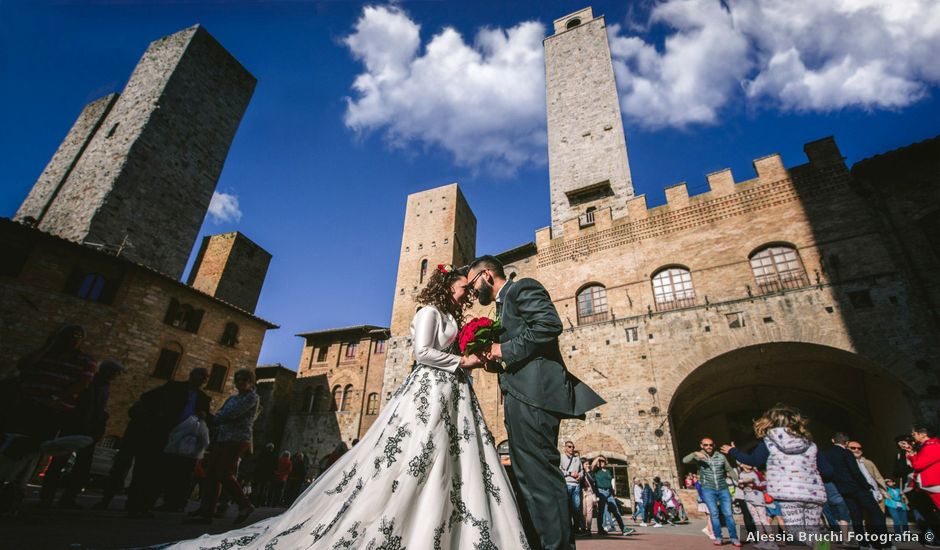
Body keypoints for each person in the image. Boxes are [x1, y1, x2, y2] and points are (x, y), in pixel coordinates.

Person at [160, 264, 528, 548]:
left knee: (452, 458)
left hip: (453, 393)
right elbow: (422, 353)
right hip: (430, 390)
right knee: (420, 452)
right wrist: (463, 362)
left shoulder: (451, 318)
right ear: (448, 286)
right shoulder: (429, 312)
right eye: (464, 287)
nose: (468, 294)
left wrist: (472, 354)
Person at [468, 255, 606, 550]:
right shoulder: (501, 309)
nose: (472, 290)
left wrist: (504, 349)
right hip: (519, 396)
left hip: (535, 396)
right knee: (526, 479)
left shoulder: (522, 288)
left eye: (472, 283)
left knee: (540, 476)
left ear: (487, 275)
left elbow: (548, 325)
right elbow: (521, 348)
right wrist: (494, 361)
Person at [723, 405, 832, 549]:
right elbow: (828, 471)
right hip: (814, 495)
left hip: (788, 495)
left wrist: (733, 451)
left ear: (769, 423)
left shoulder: (769, 443)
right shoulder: (810, 444)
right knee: (813, 530)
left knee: (797, 534)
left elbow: (754, 461)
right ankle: (821, 545)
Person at [126, 368, 211, 517]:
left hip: (183, 439)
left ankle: (164, 503)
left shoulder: (204, 398)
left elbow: (207, 418)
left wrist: (205, 416)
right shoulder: (173, 387)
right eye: (201, 375)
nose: (204, 379)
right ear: (191, 375)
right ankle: (139, 504)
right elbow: (148, 398)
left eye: (206, 377)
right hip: (165, 432)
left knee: (172, 471)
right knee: (153, 469)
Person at [40, 359, 124, 508]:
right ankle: (48, 496)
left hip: (88, 431)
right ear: (108, 371)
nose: (116, 376)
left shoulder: (104, 386)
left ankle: (66, 498)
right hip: (75, 426)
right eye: (116, 373)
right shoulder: (89, 382)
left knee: (80, 467)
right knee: (60, 462)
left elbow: (98, 409)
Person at [186, 368, 260, 525]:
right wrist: (215, 418)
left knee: (225, 473)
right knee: (211, 473)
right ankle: (206, 512)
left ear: (251, 382)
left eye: (244, 380)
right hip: (223, 438)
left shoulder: (252, 398)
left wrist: (212, 418)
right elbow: (222, 412)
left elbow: (231, 414)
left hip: (237, 439)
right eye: (238, 379)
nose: (240, 382)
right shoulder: (232, 398)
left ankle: (245, 505)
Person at [5, 325, 97, 440]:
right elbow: (23, 365)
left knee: (39, 444)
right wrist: (48, 345)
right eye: (70, 335)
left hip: (54, 409)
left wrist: (55, 398)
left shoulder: (86, 360)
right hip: (28, 403)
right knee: (13, 439)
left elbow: (83, 384)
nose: (74, 339)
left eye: (78, 336)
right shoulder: (46, 354)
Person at [820, 432, 889, 549]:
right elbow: (855, 471)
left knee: (856, 516)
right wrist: (866, 486)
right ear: (846, 443)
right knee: (876, 513)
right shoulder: (846, 453)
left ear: (833, 441)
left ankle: (863, 544)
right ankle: (885, 543)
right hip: (857, 488)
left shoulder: (826, 454)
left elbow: (827, 473)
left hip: (843, 490)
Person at [683, 437, 741, 547]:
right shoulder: (699, 457)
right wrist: (695, 453)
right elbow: (685, 460)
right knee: (714, 514)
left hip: (723, 488)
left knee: (728, 514)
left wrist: (739, 481)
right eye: (705, 445)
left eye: (710, 445)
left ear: (713, 445)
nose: (708, 447)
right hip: (708, 489)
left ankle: (734, 538)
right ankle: (718, 537)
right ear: (701, 446)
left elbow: (729, 469)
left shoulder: (720, 456)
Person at [591, 456, 635, 536]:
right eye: (599, 462)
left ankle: (623, 529)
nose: (601, 463)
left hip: (609, 492)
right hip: (601, 491)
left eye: (603, 461)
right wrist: (598, 458)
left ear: (606, 462)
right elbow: (592, 465)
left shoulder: (608, 471)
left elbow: (610, 482)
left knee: (616, 511)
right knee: (601, 512)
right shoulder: (596, 471)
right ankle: (600, 529)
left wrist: (613, 493)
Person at [737, 464, 777, 550]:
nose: (749, 464)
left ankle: (772, 542)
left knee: (763, 520)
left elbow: (764, 484)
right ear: (741, 465)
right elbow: (740, 486)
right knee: (756, 520)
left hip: (758, 499)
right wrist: (742, 485)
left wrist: (754, 486)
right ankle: (762, 541)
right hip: (748, 499)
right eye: (746, 462)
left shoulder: (756, 473)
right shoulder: (741, 474)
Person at [909, 424, 940, 511]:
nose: (913, 436)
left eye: (914, 434)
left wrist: (912, 456)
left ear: (923, 434)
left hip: (935, 483)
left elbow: (918, 465)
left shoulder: (933, 446)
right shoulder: (927, 446)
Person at [559, 441, 586, 536]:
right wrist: (570, 473)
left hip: (576, 485)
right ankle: (568, 529)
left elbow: (582, 471)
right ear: (565, 448)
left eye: (573, 447)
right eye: (569, 447)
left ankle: (576, 528)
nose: (572, 449)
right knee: (567, 508)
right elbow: (559, 469)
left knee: (577, 508)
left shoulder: (577, 459)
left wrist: (580, 476)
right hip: (566, 484)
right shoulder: (561, 457)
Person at [848, 440, 887, 507]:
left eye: (859, 448)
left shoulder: (868, 462)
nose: (857, 450)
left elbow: (878, 477)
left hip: (877, 496)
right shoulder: (846, 464)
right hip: (862, 498)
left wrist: (883, 492)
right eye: (853, 448)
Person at [580, 457, 598, 536]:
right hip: (582, 492)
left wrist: (588, 472)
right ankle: (583, 528)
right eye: (586, 464)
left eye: (588, 464)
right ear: (582, 465)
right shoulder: (580, 472)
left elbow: (593, 481)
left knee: (589, 511)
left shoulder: (590, 472)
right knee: (583, 512)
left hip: (590, 492)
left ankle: (588, 529)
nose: (588, 465)